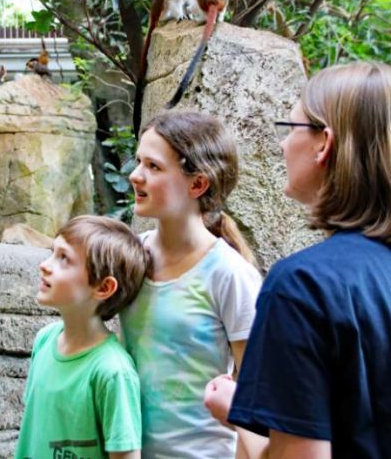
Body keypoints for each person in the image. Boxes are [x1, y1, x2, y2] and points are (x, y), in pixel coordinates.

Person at [203, 61, 391, 459]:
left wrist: (239, 417)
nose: (282, 145)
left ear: (324, 143)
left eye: (290, 129)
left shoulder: (303, 286)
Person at [120, 110, 262, 458]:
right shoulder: (131, 257)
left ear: (197, 184)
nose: (136, 176)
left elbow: (258, 395)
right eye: (138, 161)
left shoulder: (230, 274)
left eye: (153, 167)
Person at [15, 215, 151, 459]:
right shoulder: (44, 341)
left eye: (64, 258)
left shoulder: (112, 373)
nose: (45, 265)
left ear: (103, 288)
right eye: (52, 252)